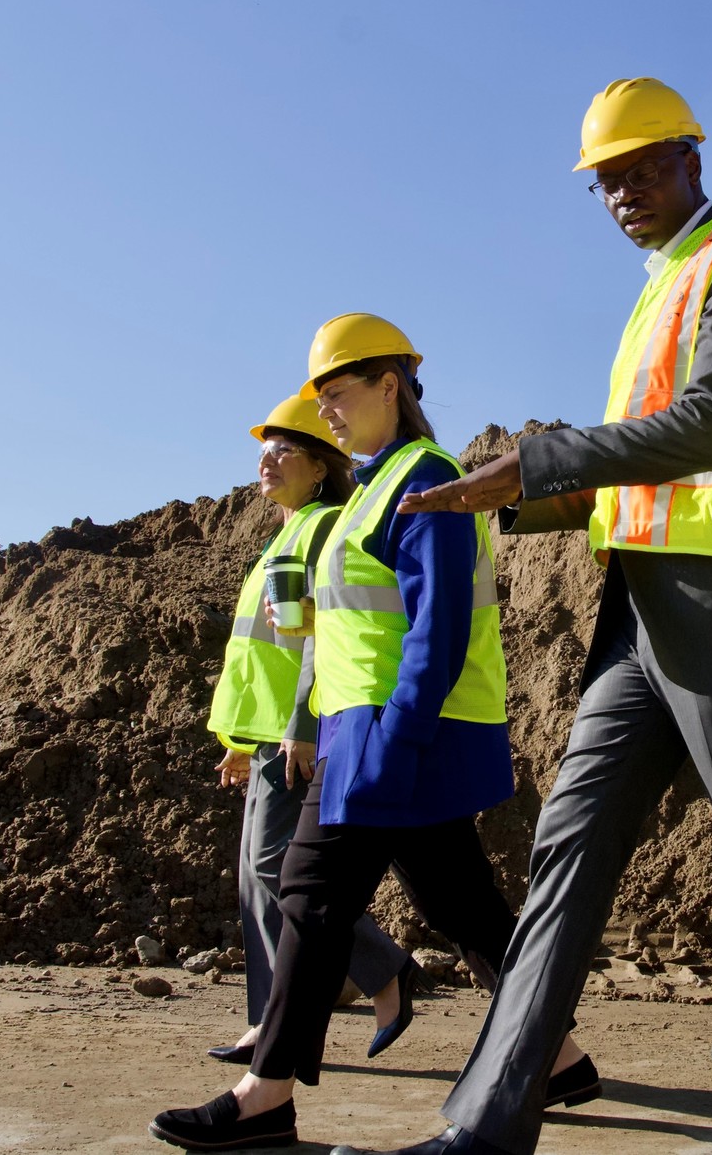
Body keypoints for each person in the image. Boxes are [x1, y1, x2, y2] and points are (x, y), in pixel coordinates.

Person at [342, 79, 712, 1155]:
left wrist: (543, 458)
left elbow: (705, 427)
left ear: (691, 161)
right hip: (640, 618)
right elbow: (633, 478)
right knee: (565, 846)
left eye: (640, 171)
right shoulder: (659, 289)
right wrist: (512, 497)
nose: (622, 194)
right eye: (606, 182)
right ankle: (489, 1120)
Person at [151, 315, 587, 1151]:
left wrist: (396, 737)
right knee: (457, 903)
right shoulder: (373, 488)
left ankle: (264, 1095)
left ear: (390, 386)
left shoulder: (425, 479)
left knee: (309, 894)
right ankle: (558, 1055)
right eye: (320, 396)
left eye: (338, 392)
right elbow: (345, 630)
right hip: (365, 733)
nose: (329, 411)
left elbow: (439, 628)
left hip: (396, 735)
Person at [203, 395, 421, 1069]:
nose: (266, 460)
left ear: (321, 467)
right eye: (263, 449)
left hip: (298, 730)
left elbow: (323, 635)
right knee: (256, 877)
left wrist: (302, 723)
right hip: (267, 731)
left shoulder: (324, 526)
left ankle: (382, 971)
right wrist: (240, 741)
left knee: (279, 870)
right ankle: (270, 1023)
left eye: (283, 449)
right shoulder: (283, 534)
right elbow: (259, 649)